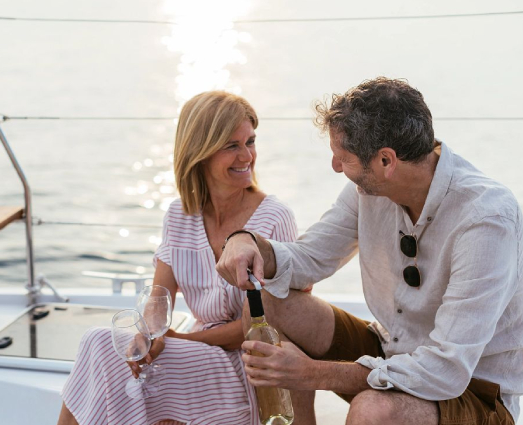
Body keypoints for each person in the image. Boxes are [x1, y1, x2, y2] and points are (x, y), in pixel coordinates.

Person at [216, 77, 523, 425]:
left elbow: (445, 369)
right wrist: (246, 240)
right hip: (391, 350)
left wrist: (312, 373)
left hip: (472, 392)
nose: (335, 166)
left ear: (386, 160)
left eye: (343, 158)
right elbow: (309, 258)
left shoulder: (486, 218)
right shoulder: (370, 189)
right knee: (268, 302)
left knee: (373, 411)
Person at [57, 90, 306, 425]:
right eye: (232, 145)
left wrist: (183, 340)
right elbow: (158, 300)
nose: (247, 155)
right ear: (200, 153)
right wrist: (148, 336)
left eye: (250, 141)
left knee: (100, 347)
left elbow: (273, 322)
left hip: (247, 366)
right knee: (109, 349)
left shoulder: (274, 218)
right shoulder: (179, 216)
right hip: (198, 352)